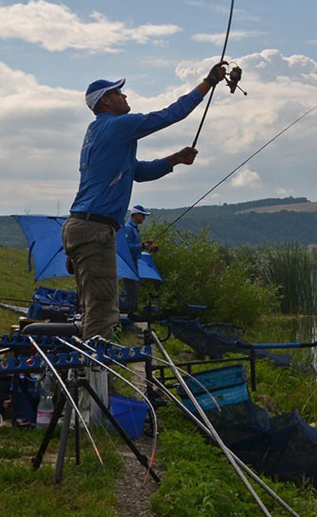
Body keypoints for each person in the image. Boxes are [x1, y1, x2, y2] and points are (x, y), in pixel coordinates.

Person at [65, 61, 227, 340]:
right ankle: (97, 377)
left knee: (91, 306)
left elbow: (138, 172)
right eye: (119, 93)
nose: (125, 97)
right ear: (106, 100)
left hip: (81, 225)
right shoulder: (119, 125)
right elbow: (169, 115)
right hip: (95, 230)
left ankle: (88, 372)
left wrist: (174, 159)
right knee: (104, 310)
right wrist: (208, 82)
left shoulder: (96, 132)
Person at [119, 204, 149, 314]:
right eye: (142, 215)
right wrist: (141, 246)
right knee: (131, 289)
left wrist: (145, 246)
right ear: (134, 215)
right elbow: (127, 248)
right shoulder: (128, 228)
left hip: (134, 261)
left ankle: (130, 312)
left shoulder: (135, 229)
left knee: (135, 289)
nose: (144, 218)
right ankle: (127, 314)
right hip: (129, 263)